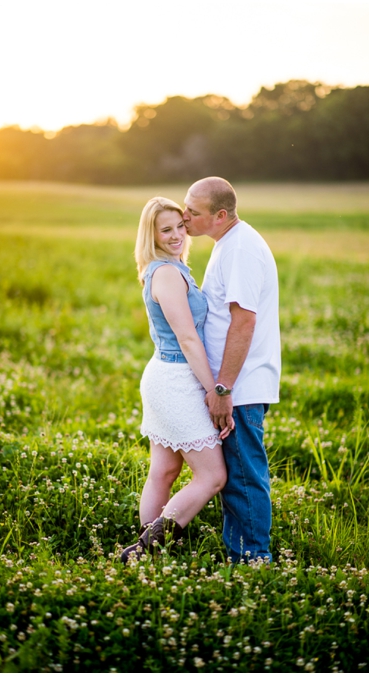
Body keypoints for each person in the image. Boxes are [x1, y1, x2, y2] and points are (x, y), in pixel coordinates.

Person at [120, 197, 230, 565]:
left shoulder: (172, 267)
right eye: (166, 230)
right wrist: (215, 389)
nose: (177, 235)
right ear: (151, 235)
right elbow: (187, 339)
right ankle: (146, 550)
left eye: (180, 226)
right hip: (176, 380)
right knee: (212, 477)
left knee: (164, 471)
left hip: (168, 376)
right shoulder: (166, 273)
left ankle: (144, 550)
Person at [182, 177, 280, 563]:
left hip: (239, 386)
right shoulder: (230, 243)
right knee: (237, 474)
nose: (184, 215)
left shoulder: (240, 249)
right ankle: (244, 553)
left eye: (193, 211)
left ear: (220, 216)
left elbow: (243, 323)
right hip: (235, 383)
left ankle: (254, 560)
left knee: (242, 476)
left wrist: (222, 389)